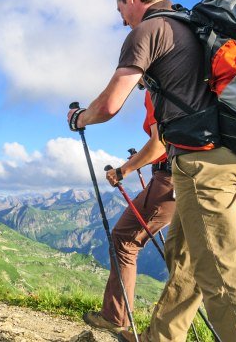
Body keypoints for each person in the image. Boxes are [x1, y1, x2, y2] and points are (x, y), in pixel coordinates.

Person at [66, 0, 236, 342]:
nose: (123, 22)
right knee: (188, 261)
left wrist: (80, 117)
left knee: (225, 279)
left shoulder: (148, 30)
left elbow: (111, 104)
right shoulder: (192, 26)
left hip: (203, 165)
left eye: (120, 12)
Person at [83, 91, 175, 335]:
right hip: (197, 176)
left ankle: (115, 316)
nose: (139, 85)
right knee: (192, 262)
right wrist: (143, 161)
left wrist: (124, 170)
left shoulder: (159, 87)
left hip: (171, 179)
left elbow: (159, 143)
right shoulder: (189, 81)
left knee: (124, 239)